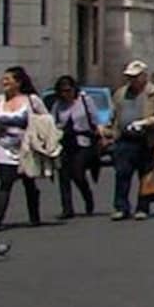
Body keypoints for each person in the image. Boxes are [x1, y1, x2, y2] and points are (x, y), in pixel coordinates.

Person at [0, 66, 48, 230]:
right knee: (5, 183)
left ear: (18, 82)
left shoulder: (32, 101)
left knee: (29, 183)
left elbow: (45, 121)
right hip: (4, 150)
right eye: (3, 79)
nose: (4, 82)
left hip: (27, 151)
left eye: (8, 80)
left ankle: (34, 216)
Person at [110, 61, 154, 220]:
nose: (131, 80)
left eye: (135, 77)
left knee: (145, 176)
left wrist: (153, 120)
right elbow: (114, 114)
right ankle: (121, 207)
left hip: (146, 140)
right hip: (125, 139)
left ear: (143, 77)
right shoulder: (121, 93)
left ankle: (142, 207)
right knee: (122, 174)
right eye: (129, 77)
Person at [49, 75, 101, 219]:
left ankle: (87, 196)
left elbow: (95, 119)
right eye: (63, 91)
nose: (66, 94)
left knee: (77, 173)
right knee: (64, 176)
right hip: (65, 142)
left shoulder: (85, 100)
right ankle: (67, 208)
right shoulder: (58, 105)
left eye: (68, 90)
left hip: (83, 141)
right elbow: (52, 122)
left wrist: (99, 134)